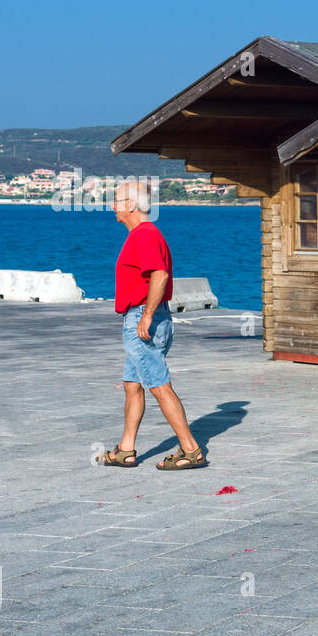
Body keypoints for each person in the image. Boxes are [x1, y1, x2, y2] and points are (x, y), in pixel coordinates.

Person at [102, 180, 205, 470]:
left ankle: (191, 449)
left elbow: (159, 275)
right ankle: (126, 449)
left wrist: (146, 315)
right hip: (145, 316)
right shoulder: (143, 234)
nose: (113, 206)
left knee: (159, 385)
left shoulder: (144, 235)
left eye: (117, 200)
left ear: (131, 206)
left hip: (142, 319)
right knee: (132, 384)